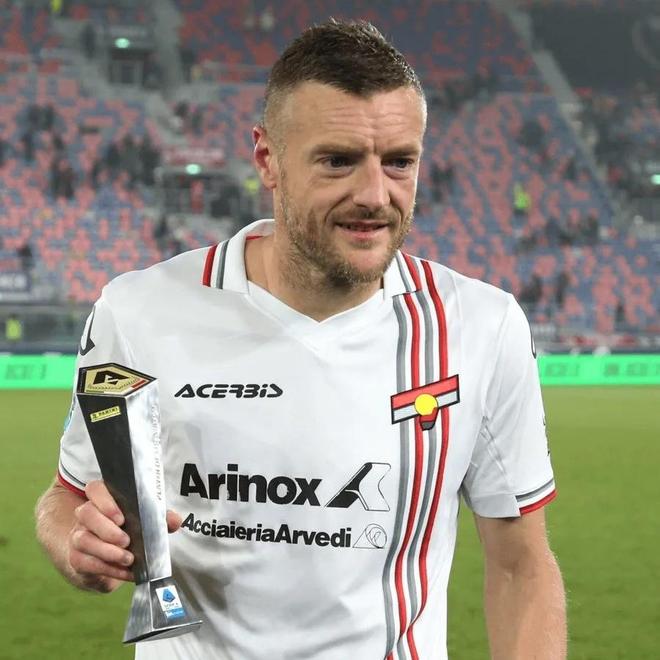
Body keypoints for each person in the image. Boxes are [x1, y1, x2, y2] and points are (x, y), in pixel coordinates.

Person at [35, 21, 566, 660]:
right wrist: (79, 544)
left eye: (399, 161)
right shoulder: (139, 310)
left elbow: (521, 565)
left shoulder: (482, 326)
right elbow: (69, 494)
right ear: (268, 160)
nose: (375, 195)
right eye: (338, 160)